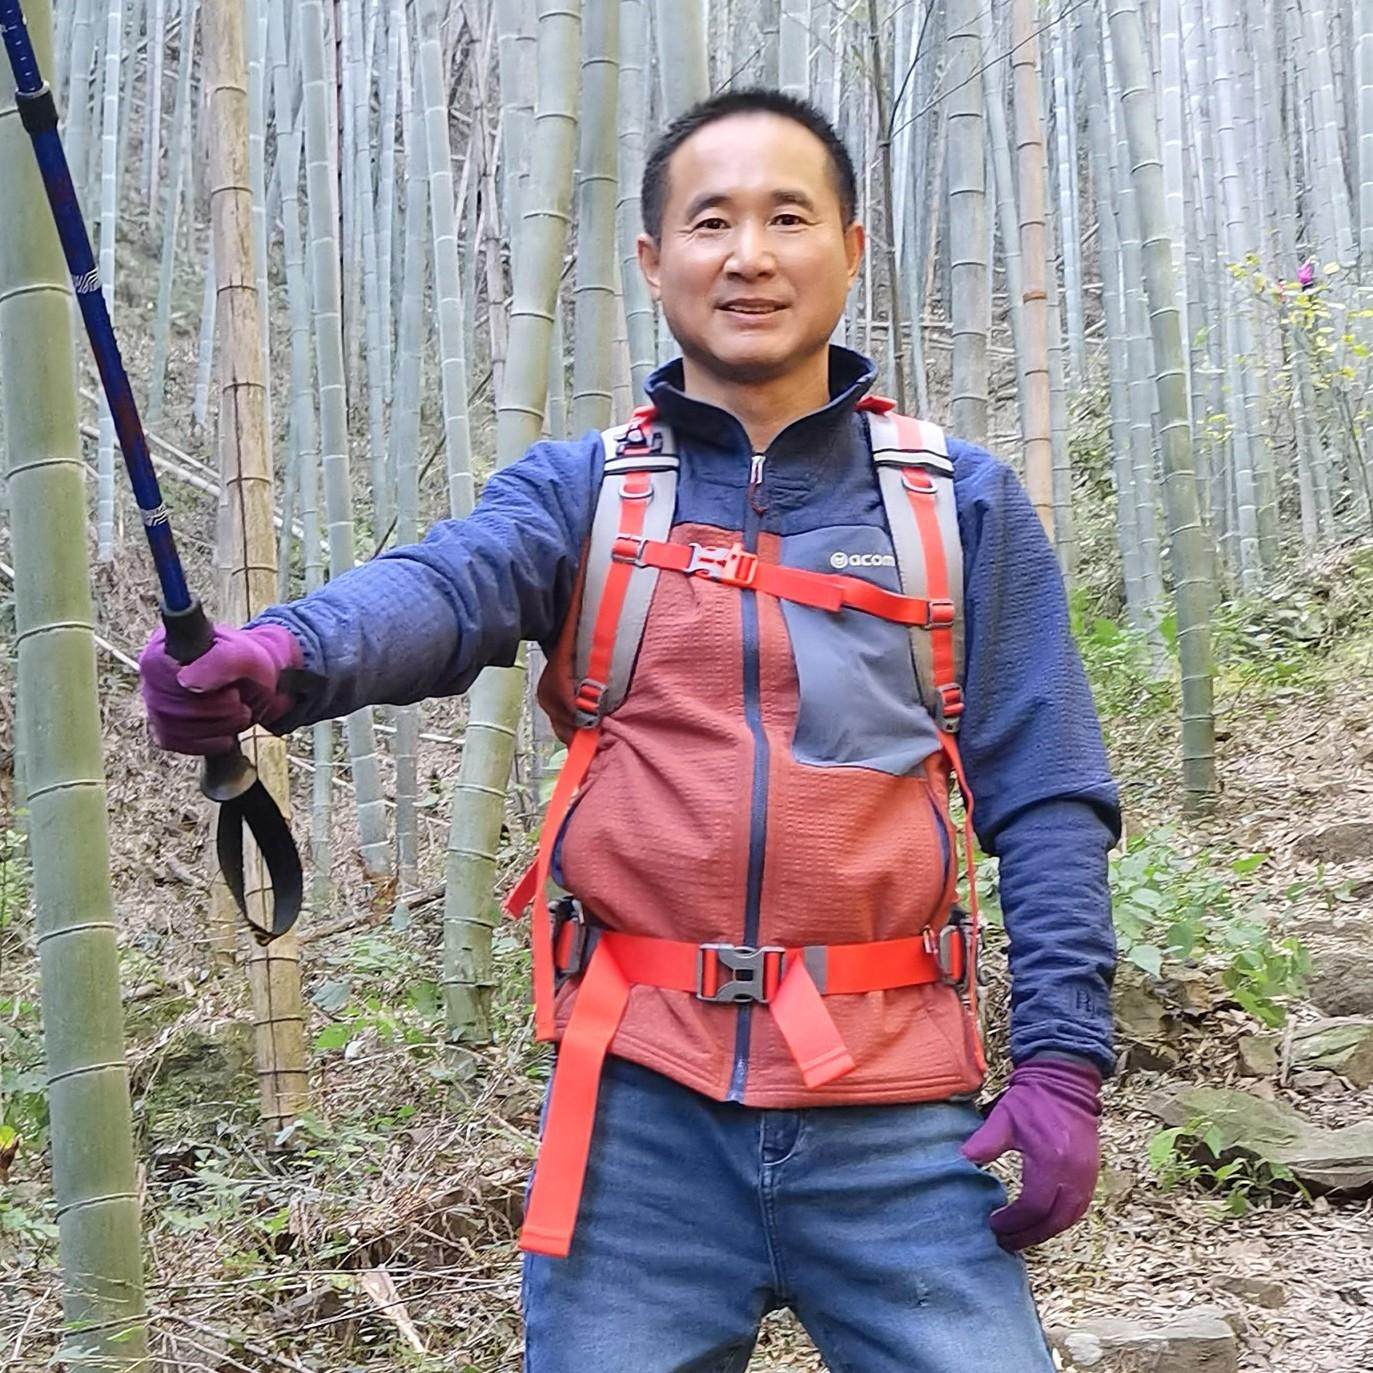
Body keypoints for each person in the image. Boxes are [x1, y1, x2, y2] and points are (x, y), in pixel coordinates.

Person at [141, 89, 1118, 1373]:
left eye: (786, 217)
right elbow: (448, 585)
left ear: (850, 250)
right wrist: (283, 655)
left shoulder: (956, 505)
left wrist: (1061, 1060)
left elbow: (1045, 793)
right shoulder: (585, 492)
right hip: (638, 1116)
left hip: (893, 1102)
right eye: (710, 222)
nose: (748, 254)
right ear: (654, 263)